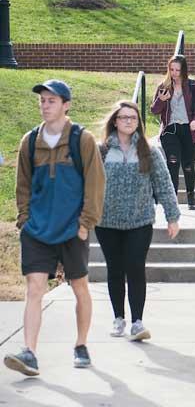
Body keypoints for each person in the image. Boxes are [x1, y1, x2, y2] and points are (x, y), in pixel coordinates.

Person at [4, 80, 105, 376]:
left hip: (73, 229)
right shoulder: (29, 140)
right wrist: (24, 220)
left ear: (66, 104)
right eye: (42, 100)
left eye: (51, 100)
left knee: (79, 287)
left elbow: (96, 184)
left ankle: (81, 344)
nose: (45, 105)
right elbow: (22, 185)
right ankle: (30, 353)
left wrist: (86, 223)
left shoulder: (81, 139)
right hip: (37, 229)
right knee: (34, 288)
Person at [95, 101, 181, 342]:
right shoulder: (100, 150)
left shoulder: (149, 151)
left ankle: (137, 322)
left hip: (140, 222)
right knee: (115, 269)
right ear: (115, 121)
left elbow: (163, 184)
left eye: (133, 118)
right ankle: (118, 318)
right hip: (106, 222)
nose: (129, 121)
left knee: (135, 268)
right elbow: (87, 185)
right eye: (123, 117)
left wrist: (172, 217)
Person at [151, 55, 195, 209]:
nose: (174, 73)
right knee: (173, 163)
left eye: (177, 70)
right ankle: (172, 198)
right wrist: (161, 100)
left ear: (184, 70)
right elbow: (154, 110)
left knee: (188, 165)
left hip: (190, 130)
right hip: (170, 131)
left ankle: (190, 195)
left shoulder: (194, 86)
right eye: (172, 69)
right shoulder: (163, 86)